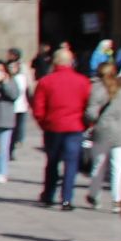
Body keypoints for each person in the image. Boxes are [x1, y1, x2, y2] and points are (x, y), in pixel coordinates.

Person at [32, 48, 93, 210]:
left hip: (53, 126)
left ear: (55, 62)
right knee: (71, 163)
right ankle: (67, 199)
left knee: (52, 162)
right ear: (71, 62)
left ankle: (48, 195)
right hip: (75, 127)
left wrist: (43, 124)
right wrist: (86, 125)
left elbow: (38, 108)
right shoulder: (83, 81)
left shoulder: (46, 81)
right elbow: (89, 106)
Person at [83, 64, 121, 210]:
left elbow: (91, 113)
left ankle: (94, 195)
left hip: (102, 131)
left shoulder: (97, 90)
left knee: (98, 165)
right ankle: (118, 200)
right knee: (119, 167)